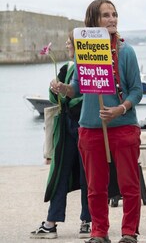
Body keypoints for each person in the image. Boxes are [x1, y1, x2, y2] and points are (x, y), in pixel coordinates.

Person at [51, 0, 143, 243]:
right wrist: (63, 88)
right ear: (93, 20)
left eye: (114, 14)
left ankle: (129, 232)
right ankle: (99, 232)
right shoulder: (85, 53)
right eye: (106, 15)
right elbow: (78, 88)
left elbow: (137, 90)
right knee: (95, 187)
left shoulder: (127, 52)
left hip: (123, 126)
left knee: (129, 185)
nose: (112, 19)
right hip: (90, 128)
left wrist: (120, 109)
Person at [30, 32, 91, 239]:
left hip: (82, 126)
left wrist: (64, 93)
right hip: (68, 128)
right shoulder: (67, 68)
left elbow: (83, 96)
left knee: (84, 176)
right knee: (62, 174)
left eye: (70, 42)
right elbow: (57, 99)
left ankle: (84, 221)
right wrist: (54, 89)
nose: (67, 44)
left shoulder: (87, 67)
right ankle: (55, 222)